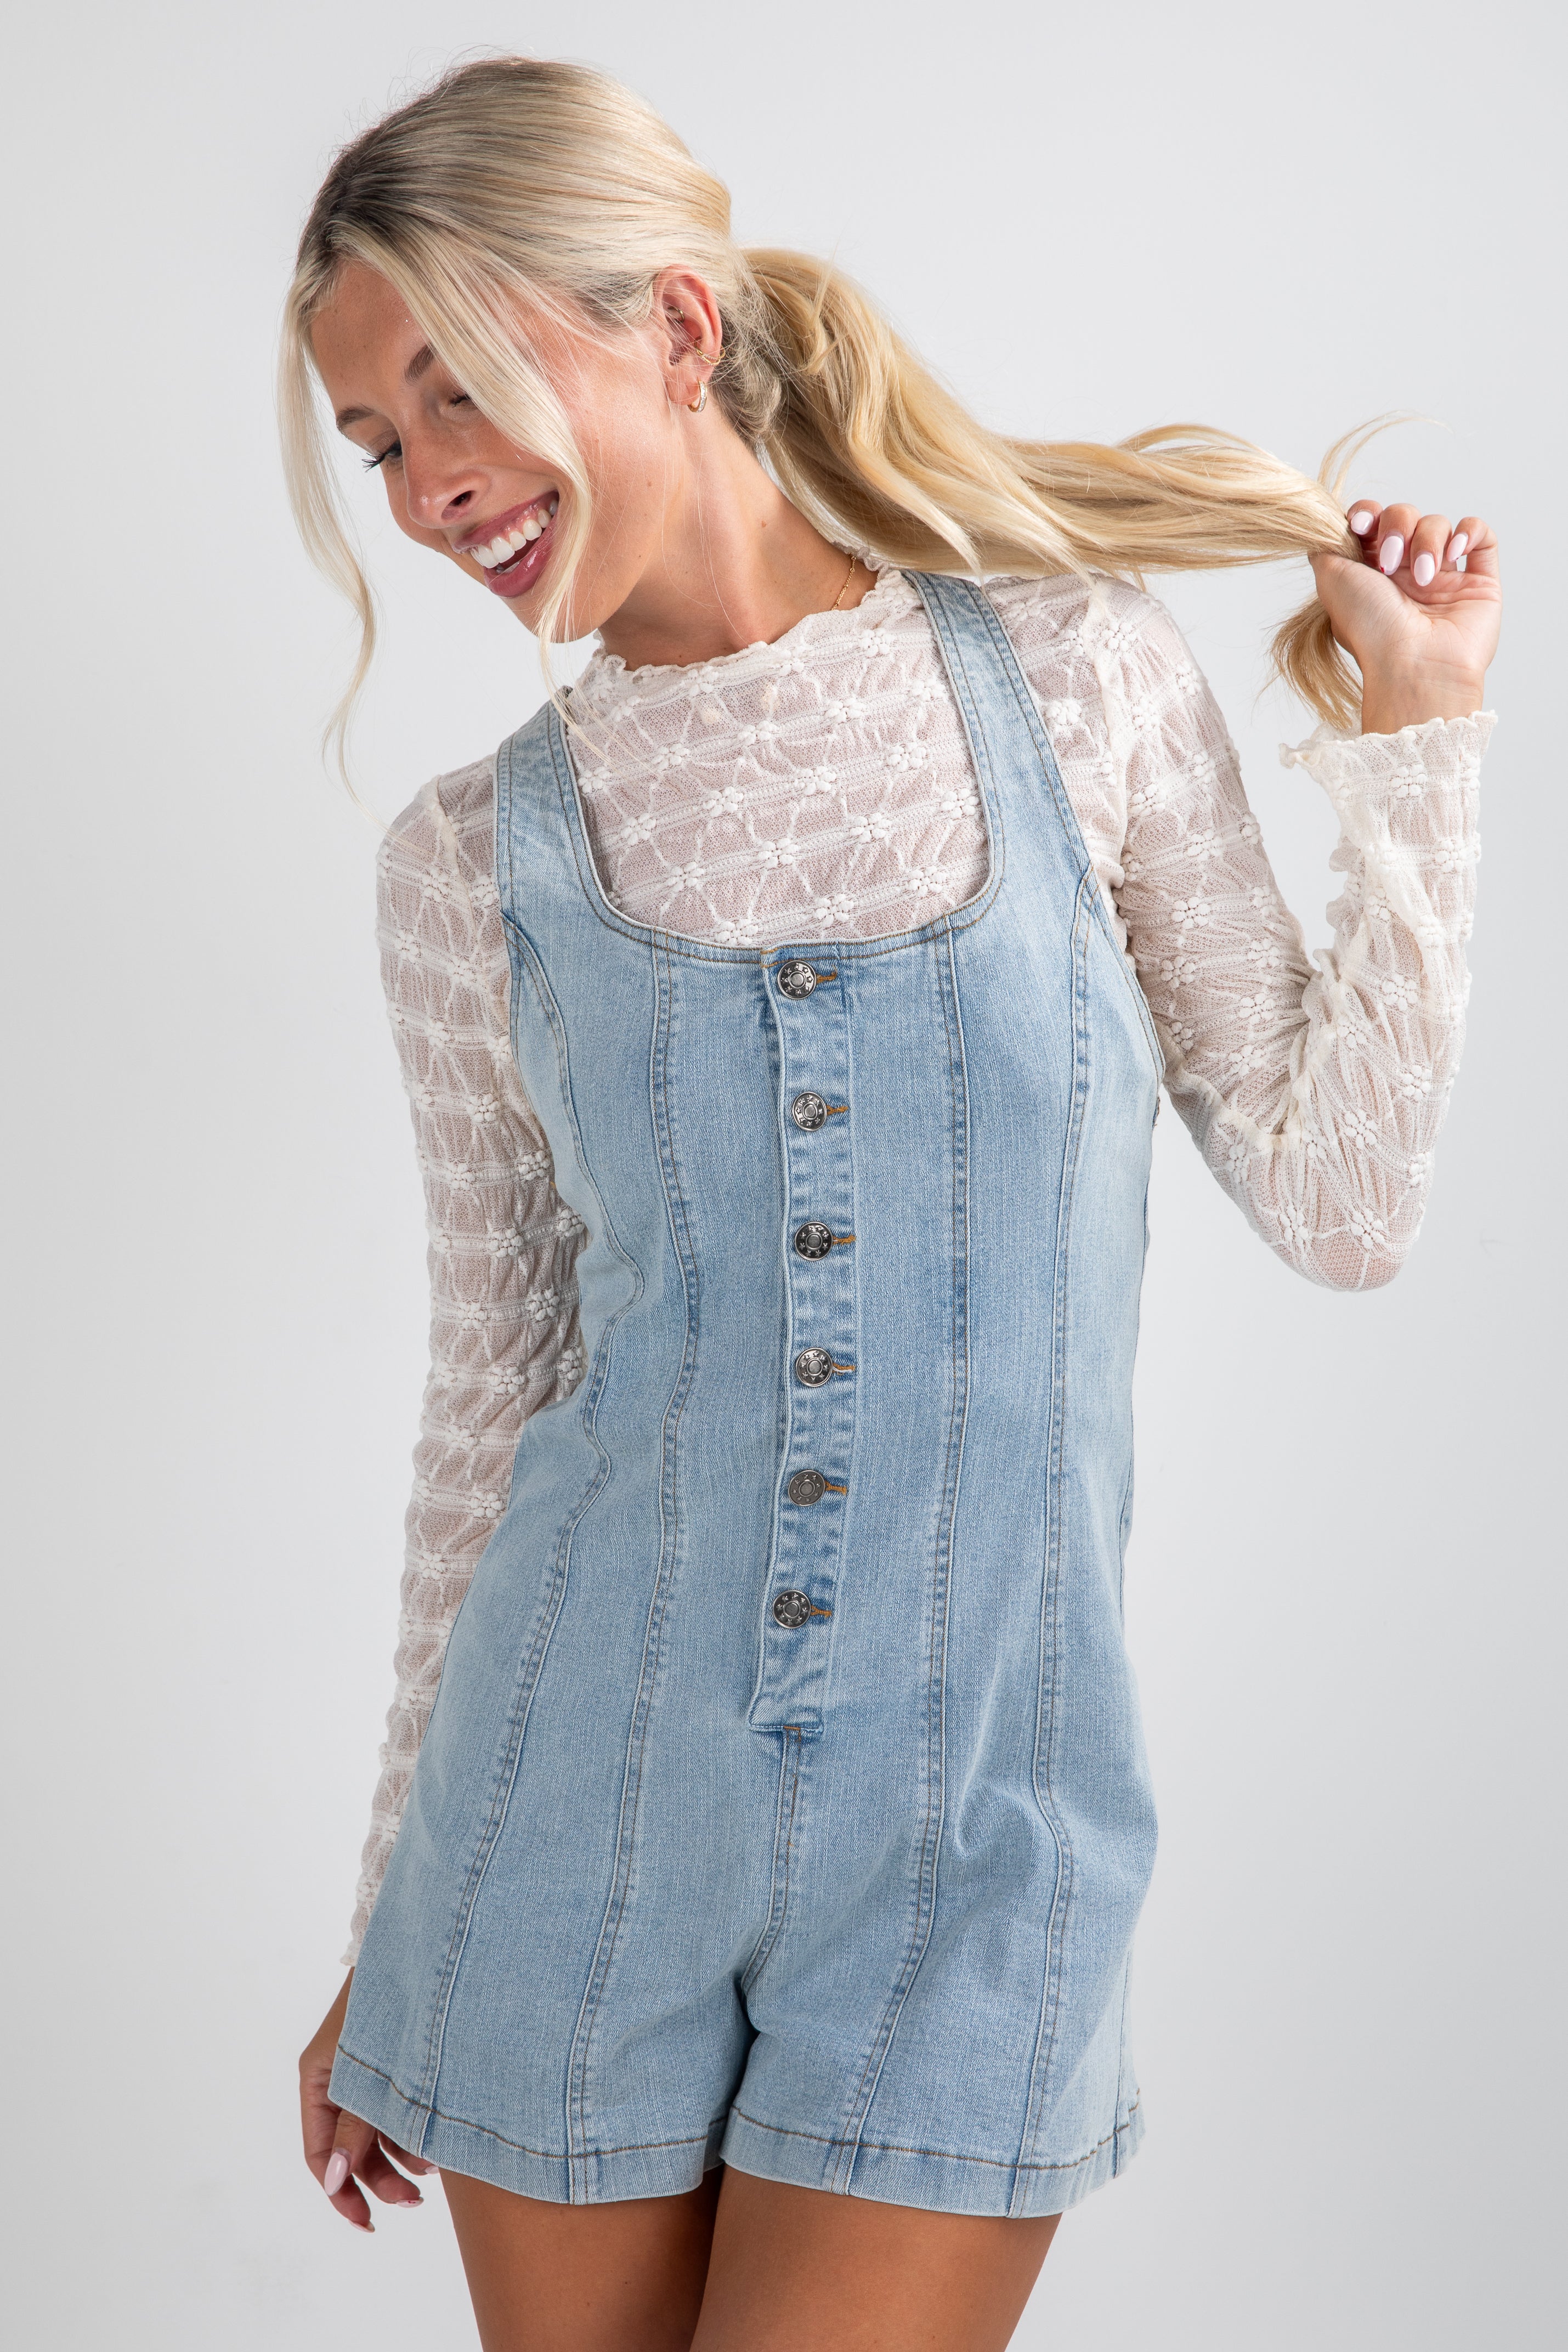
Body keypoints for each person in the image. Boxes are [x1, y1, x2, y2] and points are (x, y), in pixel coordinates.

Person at [282, 54, 1499, 2352]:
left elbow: (1341, 1204)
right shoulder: (470, 859)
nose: (429, 483)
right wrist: (391, 1908)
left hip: (981, 1846)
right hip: (563, 1829)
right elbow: (495, 1394)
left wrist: (1423, 740)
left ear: (667, 318)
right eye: (374, 440)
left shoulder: (1077, 683)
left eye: (454, 381)